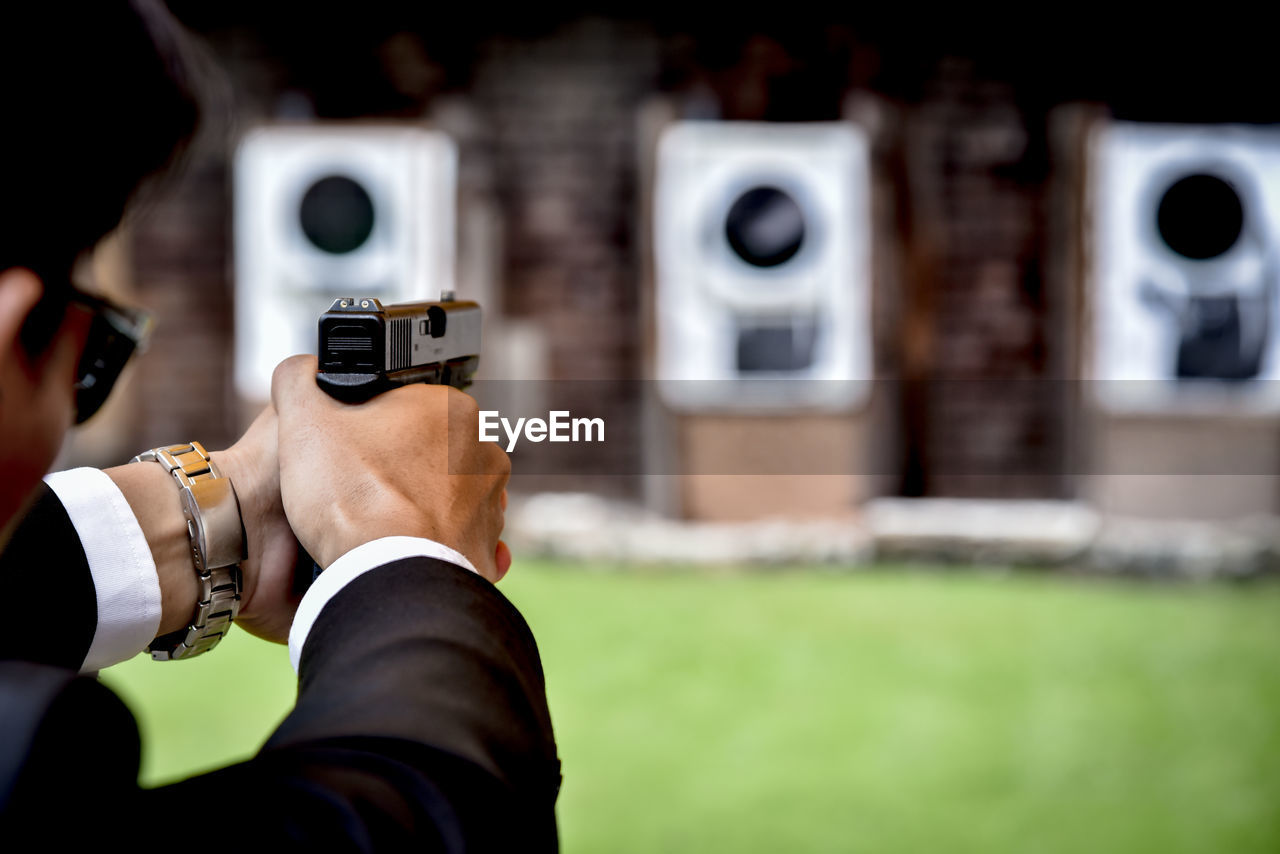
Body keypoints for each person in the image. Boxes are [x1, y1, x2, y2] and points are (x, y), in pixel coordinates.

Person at [0, 3, 560, 849]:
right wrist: (400, 546)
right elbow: (415, 820)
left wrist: (210, 521)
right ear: (15, 337)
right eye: (92, 353)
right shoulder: (37, 764)